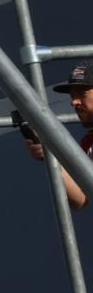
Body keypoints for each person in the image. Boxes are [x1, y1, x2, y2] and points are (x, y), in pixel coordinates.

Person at [23, 62, 93, 209]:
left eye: (82, 94)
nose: (74, 102)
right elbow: (81, 198)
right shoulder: (89, 142)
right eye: (72, 96)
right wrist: (49, 155)